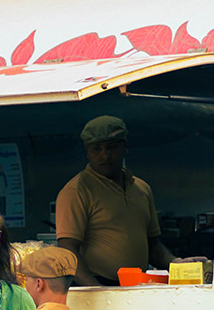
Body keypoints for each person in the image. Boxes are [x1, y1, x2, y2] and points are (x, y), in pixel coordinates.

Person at [56, 115, 173, 286]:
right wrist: (96, 289)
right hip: (97, 285)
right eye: (96, 149)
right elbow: (68, 250)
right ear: (87, 152)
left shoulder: (141, 188)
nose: (105, 155)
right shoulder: (76, 191)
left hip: (138, 285)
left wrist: (176, 263)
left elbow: (153, 246)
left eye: (112, 147)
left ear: (125, 147)